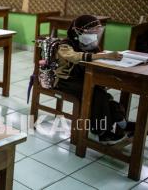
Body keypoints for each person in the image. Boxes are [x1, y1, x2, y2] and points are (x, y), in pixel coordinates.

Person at [55, 15, 134, 144]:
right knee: (98, 95)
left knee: (105, 97)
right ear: (78, 31)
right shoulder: (66, 44)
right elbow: (74, 57)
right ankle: (103, 133)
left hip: (85, 80)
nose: (94, 35)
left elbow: (98, 61)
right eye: (91, 32)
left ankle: (123, 125)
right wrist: (103, 55)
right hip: (66, 81)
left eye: (96, 32)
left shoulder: (92, 46)